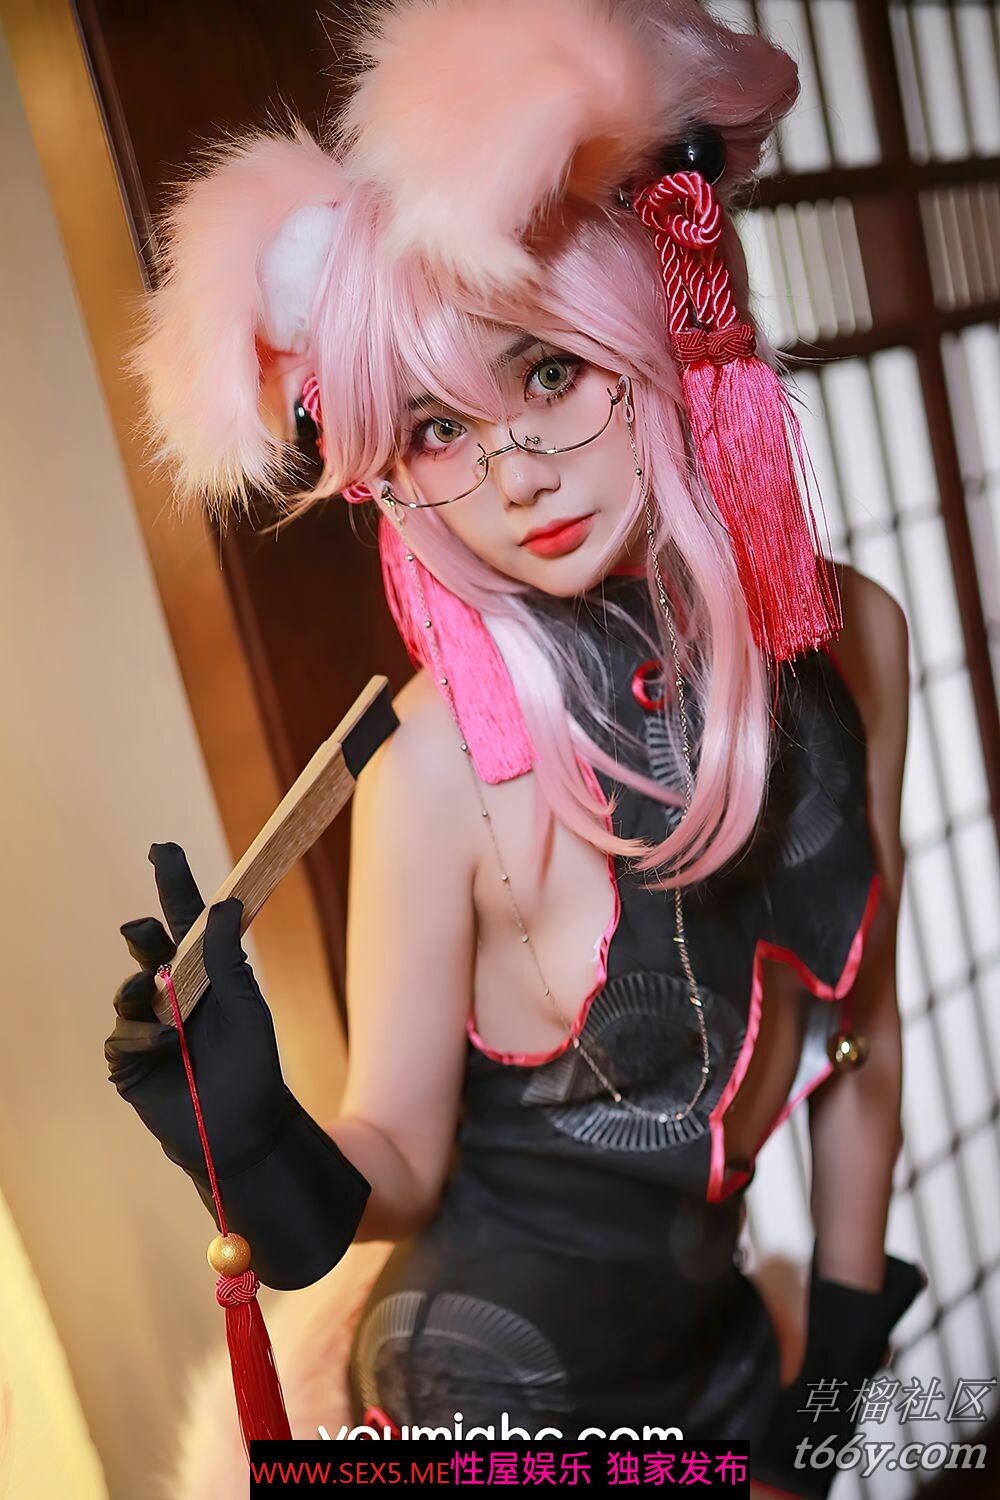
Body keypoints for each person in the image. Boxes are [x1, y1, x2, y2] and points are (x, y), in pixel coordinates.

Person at [103, 0, 927, 1492]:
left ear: (660, 326)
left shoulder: (854, 634)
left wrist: (831, 1388)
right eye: (437, 428)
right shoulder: (434, 768)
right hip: (487, 1417)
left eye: (547, 372)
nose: (515, 473)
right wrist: (264, 1147)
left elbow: (862, 1038)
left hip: (730, 1363)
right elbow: (403, 1151)